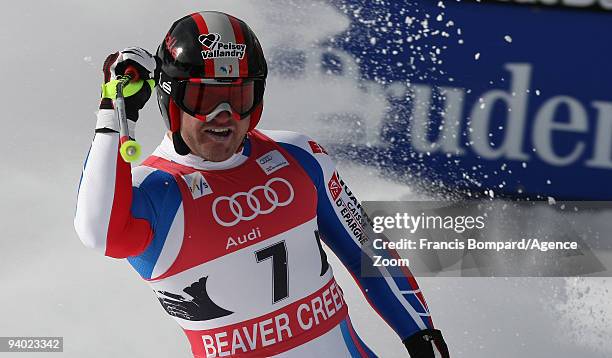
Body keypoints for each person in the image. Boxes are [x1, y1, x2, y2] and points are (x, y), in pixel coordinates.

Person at [74, 11, 450, 358]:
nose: (224, 117)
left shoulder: (298, 155)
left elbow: (367, 250)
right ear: (172, 100)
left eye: (238, 97)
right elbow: (98, 232)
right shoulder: (153, 193)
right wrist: (114, 112)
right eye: (205, 97)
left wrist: (421, 335)